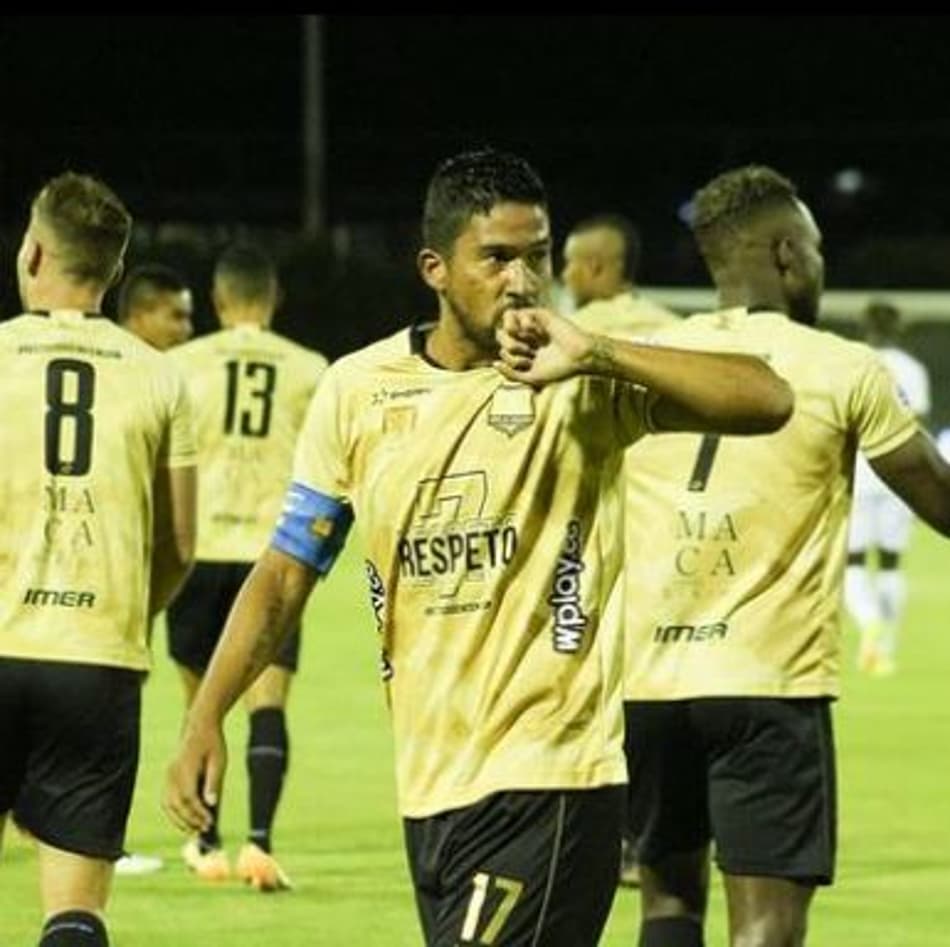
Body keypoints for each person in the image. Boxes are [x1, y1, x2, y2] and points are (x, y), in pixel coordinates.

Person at [163, 148, 792, 946]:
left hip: (555, 780)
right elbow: (288, 569)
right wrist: (206, 715)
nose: (522, 279)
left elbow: (768, 398)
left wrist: (595, 351)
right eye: (496, 258)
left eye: (536, 256)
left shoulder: (580, 381)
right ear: (436, 267)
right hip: (433, 787)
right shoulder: (357, 391)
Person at [620, 165, 950, 947]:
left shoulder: (642, 355)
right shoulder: (840, 367)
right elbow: (939, 497)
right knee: (766, 923)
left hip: (647, 682)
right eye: (816, 245)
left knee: (666, 905)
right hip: (767, 684)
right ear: (785, 254)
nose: (821, 263)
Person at [0, 173, 196, 947]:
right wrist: (129, 610)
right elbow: (180, 540)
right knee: (74, 917)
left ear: (35, 250)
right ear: (115, 272)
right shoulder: (157, 373)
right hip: (97, 658)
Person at [165, 242, 327, 891]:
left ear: (217, 299)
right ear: (274, 297)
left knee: (202, 705)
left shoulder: (181, 365)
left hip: (200, 554)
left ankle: (206, 842)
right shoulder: (309, 368)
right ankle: (259, 844)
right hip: (273, 559)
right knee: (268, 703)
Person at [562, 212, 679, 889]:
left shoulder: (581, 337)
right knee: (657, 686)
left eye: (574, 263)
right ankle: (653, 836)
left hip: (606, 527)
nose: (565, 276)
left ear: (602, 268)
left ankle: (614, 837)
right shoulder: (674, 328)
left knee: (599, 687)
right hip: (676, 532)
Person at [108, 261, 196, 879]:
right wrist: (149, 602)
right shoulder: (149, 381)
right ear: (139, 315)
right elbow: (180, 536)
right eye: (175, 314)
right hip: (109, 588)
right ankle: (98, 839)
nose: (186, 329)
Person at [844, 299, 931, 676]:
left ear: (866, 328)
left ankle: (868, 624)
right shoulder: (913, 369)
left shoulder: (852, 361)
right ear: (899, 330)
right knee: (892, 563)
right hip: (902, 476)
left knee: (855, 561)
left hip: (860, 475)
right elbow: (918, 427)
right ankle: (887, 642)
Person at [561, 212, 680, 336]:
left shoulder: (574, 332)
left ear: (594, 268)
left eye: (568, 262)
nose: (564, 274)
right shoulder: (672, 325)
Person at [116, 263, 194, 352]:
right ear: (138, 318)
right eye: (177, 316)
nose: (188, 329)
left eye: (188, 318)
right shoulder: (101, 362)